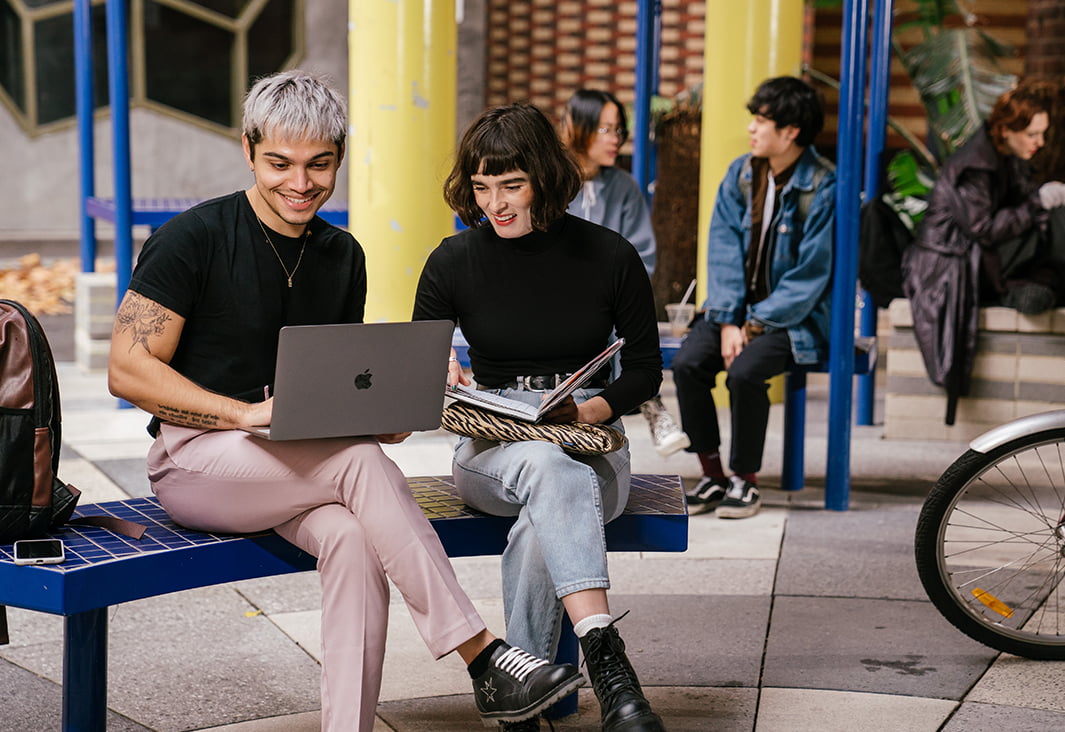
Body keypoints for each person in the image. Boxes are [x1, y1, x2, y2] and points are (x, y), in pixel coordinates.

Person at [106, 70, 583, 732]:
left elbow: (332, 382)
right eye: (279, 163)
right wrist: (243, 414)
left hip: (295, 461)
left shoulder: (342, 256)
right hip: (196, 461)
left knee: (356, 536)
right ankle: (483, 657)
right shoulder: (193, 239)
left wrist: (383, 412)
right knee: (358, 465)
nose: (299, 183)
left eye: (318, 164)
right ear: (248, 150)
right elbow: (127, 370)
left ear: (338, 158)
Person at [414, 102, 666, 732]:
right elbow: (413, 371)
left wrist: (587, 408)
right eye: (480, 187)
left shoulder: (610, 256)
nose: (494, 203)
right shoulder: (451, 261)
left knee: (545, 505)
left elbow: (644, 370)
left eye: (511, 185)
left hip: (590, 442)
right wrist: (436, 367)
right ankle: (611, 667)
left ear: (546, 180)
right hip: (491, 449)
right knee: (544, 465)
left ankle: (520, 703)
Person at [901, 78, 1065, 425]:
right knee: (1048, 216)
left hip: (983, 258)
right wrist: (1039, 203)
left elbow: (1026, 206)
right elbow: (984, 228)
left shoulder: (1006, 157)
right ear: (1005, 129)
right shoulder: (975, 166)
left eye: (1041, 134)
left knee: (1053, 227)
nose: (1040, 143)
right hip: (953, 267)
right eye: (1032, 134)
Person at [671, 76, 835, 520]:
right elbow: (721, 249)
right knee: (687, 365)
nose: (752, 129)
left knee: (744, 373)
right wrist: (727, 320)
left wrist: (753, 325)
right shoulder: (742, 173)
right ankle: (712, 474)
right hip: (733, 312)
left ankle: (746, 480)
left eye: (762, 121)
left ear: (791, 132)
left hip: (792, 319)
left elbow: (811, 275)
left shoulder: (823, 186)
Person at [559, 88, 690, 458]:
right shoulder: (551, 183)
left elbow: (642, 254)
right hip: (553, 296)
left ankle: (650, 405)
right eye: (605, 129)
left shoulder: (624, 188)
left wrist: (602, 289)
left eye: (618, 130)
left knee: (623, 319)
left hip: (609, 299)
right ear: (574, 127)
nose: (615, 139)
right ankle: (652, 405)